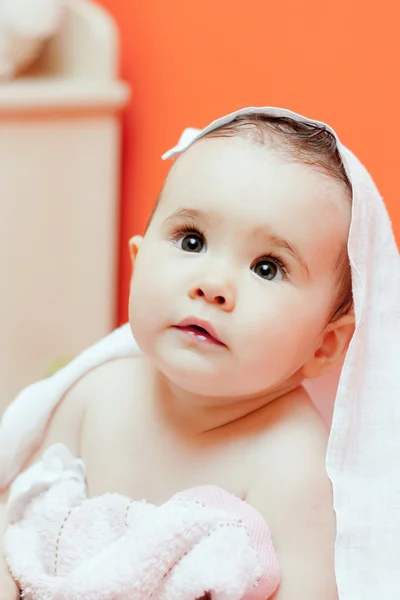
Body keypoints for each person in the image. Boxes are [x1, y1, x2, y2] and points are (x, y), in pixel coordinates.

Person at [0, 106, 394, 600]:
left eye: (267, 267)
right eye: (192, 240)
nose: (213, 285)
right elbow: (17, 528)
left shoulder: (294, 468)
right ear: (138, 262)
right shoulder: (96, 395)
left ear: (325, 344)